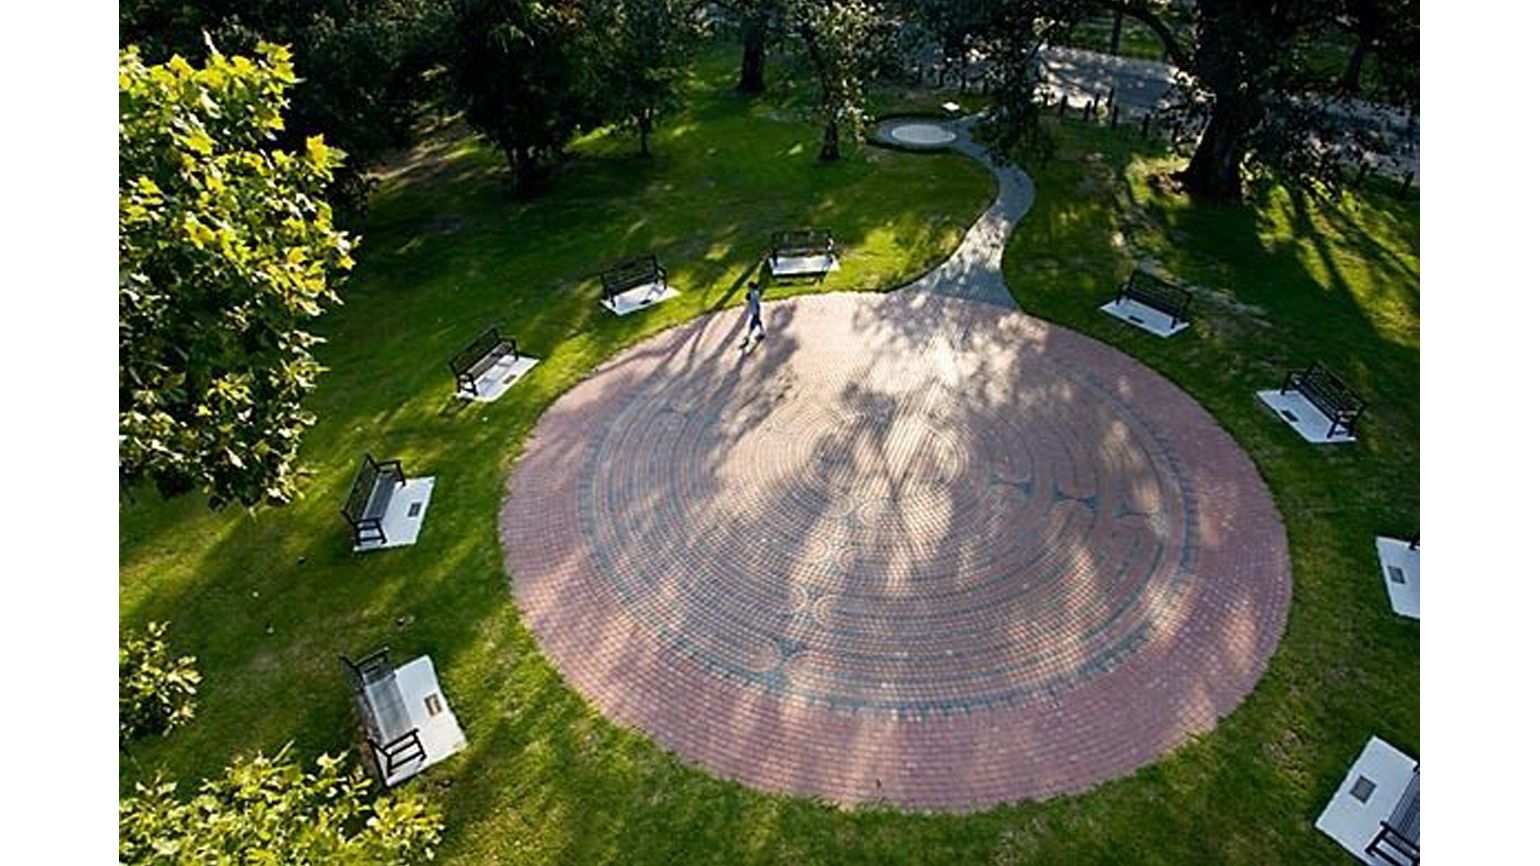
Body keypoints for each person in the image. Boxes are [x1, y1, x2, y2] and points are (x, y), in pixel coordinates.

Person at [739, 281, 765, 348]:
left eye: (749, 287)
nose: (748, 288)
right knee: (758, 321)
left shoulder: (752, 294)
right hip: (756, 310)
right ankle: (762, 332)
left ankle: (747, 338)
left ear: (751, 287)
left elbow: (748, 298)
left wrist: (747, 298)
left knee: (752, 325)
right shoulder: (755, 292)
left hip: (755, 311)